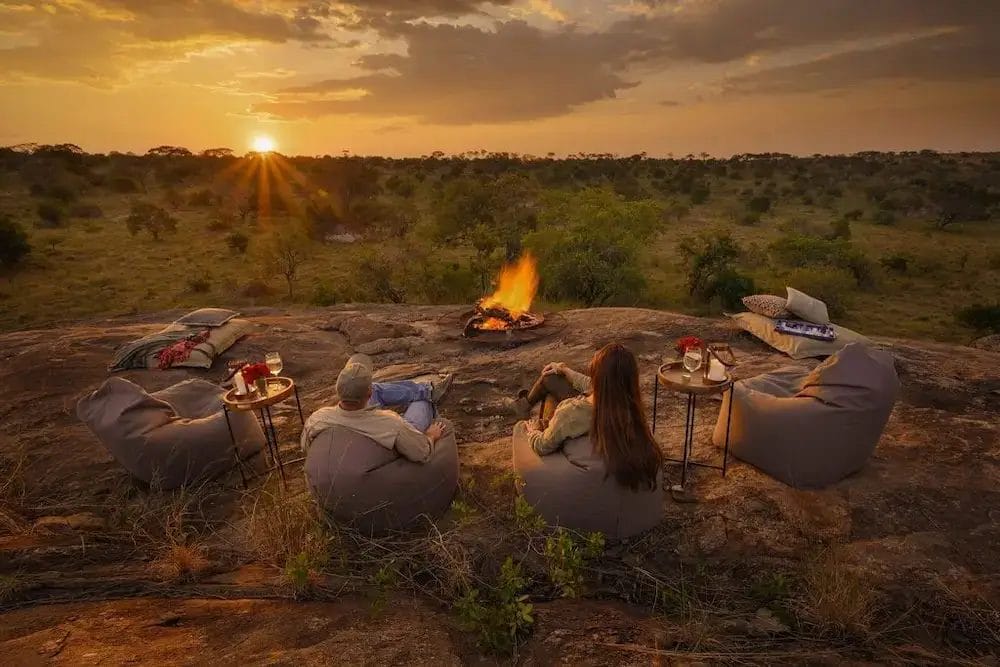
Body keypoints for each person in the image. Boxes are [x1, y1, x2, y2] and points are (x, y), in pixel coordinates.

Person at [516, 343, 663, 491]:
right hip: (583, 419)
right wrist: (564, 369)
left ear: (598, 378)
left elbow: (542, 445)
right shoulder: (629, 406)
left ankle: (527, 411)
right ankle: (524, 405)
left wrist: (533, 431)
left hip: (562, 441)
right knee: (552, 378)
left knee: (549, 399)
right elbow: (590, 384)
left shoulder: (571, 413)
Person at [301, 354, 454, 462]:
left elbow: (306, 448)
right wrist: (430, 436)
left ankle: (427, 390)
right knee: (422, 403)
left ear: (337, 391)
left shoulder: (317, 419)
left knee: (377, 389)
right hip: (389, 438)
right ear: (369, 394)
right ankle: (428, 394)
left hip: (356, 427)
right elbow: (422, 453)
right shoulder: (391, 424)